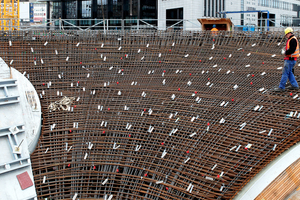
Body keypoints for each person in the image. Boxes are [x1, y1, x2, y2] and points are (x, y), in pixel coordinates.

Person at [274, 27, 299, 92]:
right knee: (289, 72)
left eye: (286, 34)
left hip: (290, 59)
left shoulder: (292, 39)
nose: (286, 36)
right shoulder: (291, 39)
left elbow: (292, 49)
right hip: (291, 59)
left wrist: (285, 52)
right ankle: (295, 85)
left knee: (285, 73)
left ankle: (281, 87)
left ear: (289, 33)